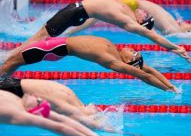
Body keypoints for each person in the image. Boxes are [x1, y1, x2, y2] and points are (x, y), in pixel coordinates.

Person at [8, 0, 190, 62]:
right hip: (76, 11)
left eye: (145, 15)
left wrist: (175, 48)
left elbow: (152, 36)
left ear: (141, 21)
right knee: (41, 37)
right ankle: (12, 54)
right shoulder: (128, 9)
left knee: (41, 37)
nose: (144, 11)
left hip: (75, 13)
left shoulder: (129, 21)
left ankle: (10, 56)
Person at [0, 36, 180, 93]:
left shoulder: (113, 60)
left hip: (55, 47)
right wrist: (171, 84)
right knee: (13, 62)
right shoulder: (116, 51)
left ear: (127, 61)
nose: (132, 48)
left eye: (133, 53)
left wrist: (168, 90)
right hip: (57, 46)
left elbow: (143, 74)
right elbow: (146, 68)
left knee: (11, 61)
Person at [0, 77, 115, 131]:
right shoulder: (71, 107)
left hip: (15, 84)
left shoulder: (74, 102)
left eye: (97, 112)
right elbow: (78, 123)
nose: (97, 108)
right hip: (14, 87)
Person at [0, 89, 103, 136]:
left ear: (35, 112)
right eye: (39, 100)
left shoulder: (18, 114)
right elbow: (61, 121)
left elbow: (59, 126)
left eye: (38, 101)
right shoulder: (18, 101)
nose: (36, 96)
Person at [67, 0, 191, 35]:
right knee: (96, 15)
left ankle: (70, 30)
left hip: (135, 5)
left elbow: (93, 19)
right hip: (137, 5)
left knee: (96, 15)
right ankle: (71, 30)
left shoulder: (170, 27)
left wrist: (71, 31)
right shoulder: (170, 26)